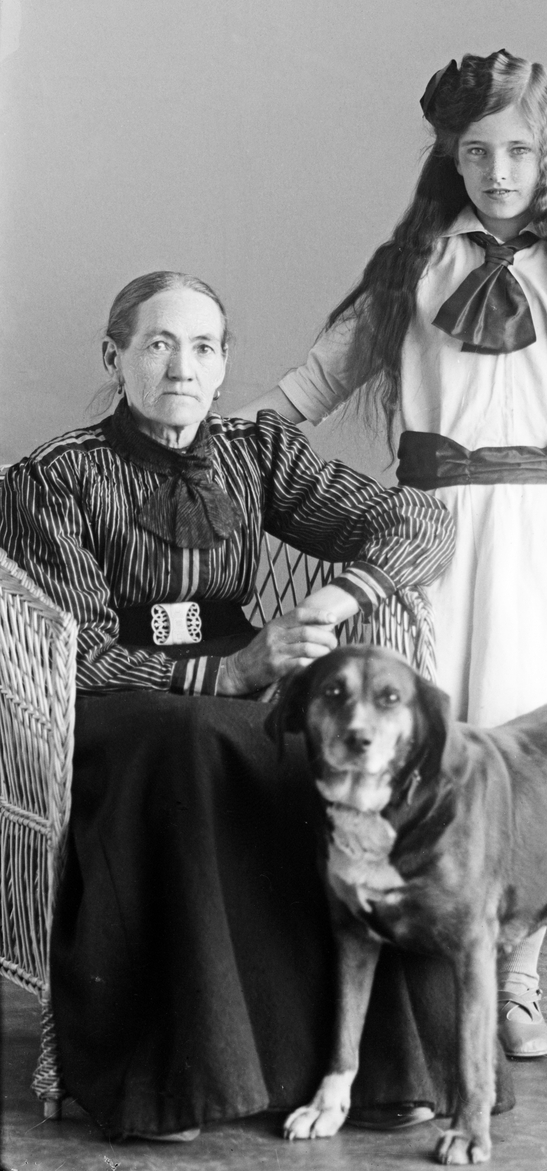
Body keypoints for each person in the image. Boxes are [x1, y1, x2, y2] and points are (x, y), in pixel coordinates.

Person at [237, 51, 547, 1059]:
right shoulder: (415, 270)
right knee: (439, 746)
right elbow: (305, 389)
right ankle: (418, 1003)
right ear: (450, 156)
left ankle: (517, 982)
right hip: (439, 536)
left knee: (536, 757)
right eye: (477, 152)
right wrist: (211, 441)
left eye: (519, 151)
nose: (499, 172)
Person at [0, 272, 457, 1140]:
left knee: (331, 755)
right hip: (120, 696)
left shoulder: (257, 453)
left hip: (246, 666)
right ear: (115, 357)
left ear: (221, 366)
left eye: (202, 347)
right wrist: (227, 676)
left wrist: (337, 602)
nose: (182, 367)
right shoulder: (54, 477)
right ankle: (180, 1079)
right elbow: (78, 647)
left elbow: (422, 522)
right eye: (158, 344)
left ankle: (373, 1067)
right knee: (187, 739)